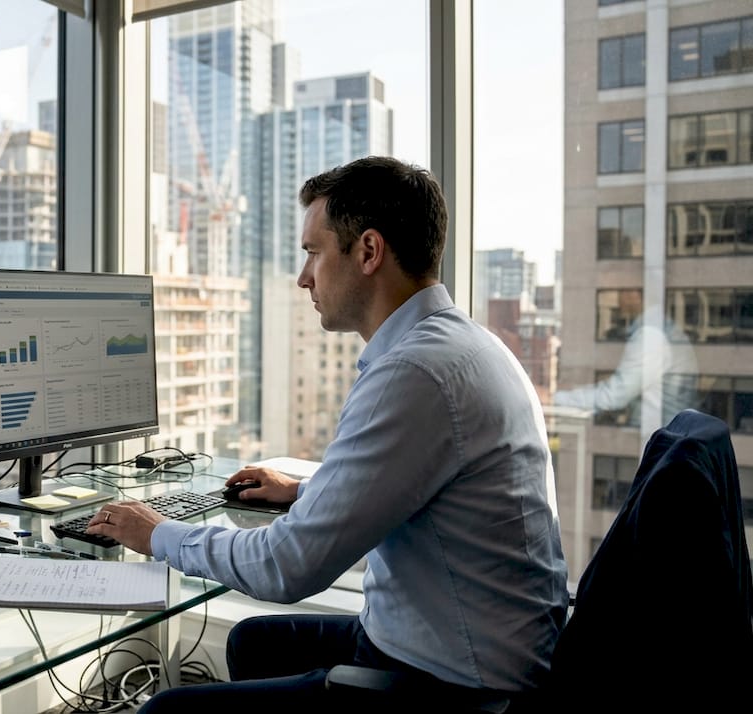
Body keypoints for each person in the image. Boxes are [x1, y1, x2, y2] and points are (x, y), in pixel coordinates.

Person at [86, 157, 568, 710]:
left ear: (368, 251)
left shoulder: (415, 375)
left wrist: (157, 534)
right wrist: (302, 491)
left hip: (455, 685)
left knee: (166, 710)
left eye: (313, 252)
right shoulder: (465, 346)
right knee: (249, 642)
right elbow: (408, 484)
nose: (303, 276)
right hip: (476, 646)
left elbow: (286, 567)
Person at [552, 287, 697, 430]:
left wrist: (555, 398)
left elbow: (616, 396)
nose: (618, 299)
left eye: (622, 291)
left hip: (653, 437)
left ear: (635, 294)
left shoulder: (651, 336)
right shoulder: (662, 328)